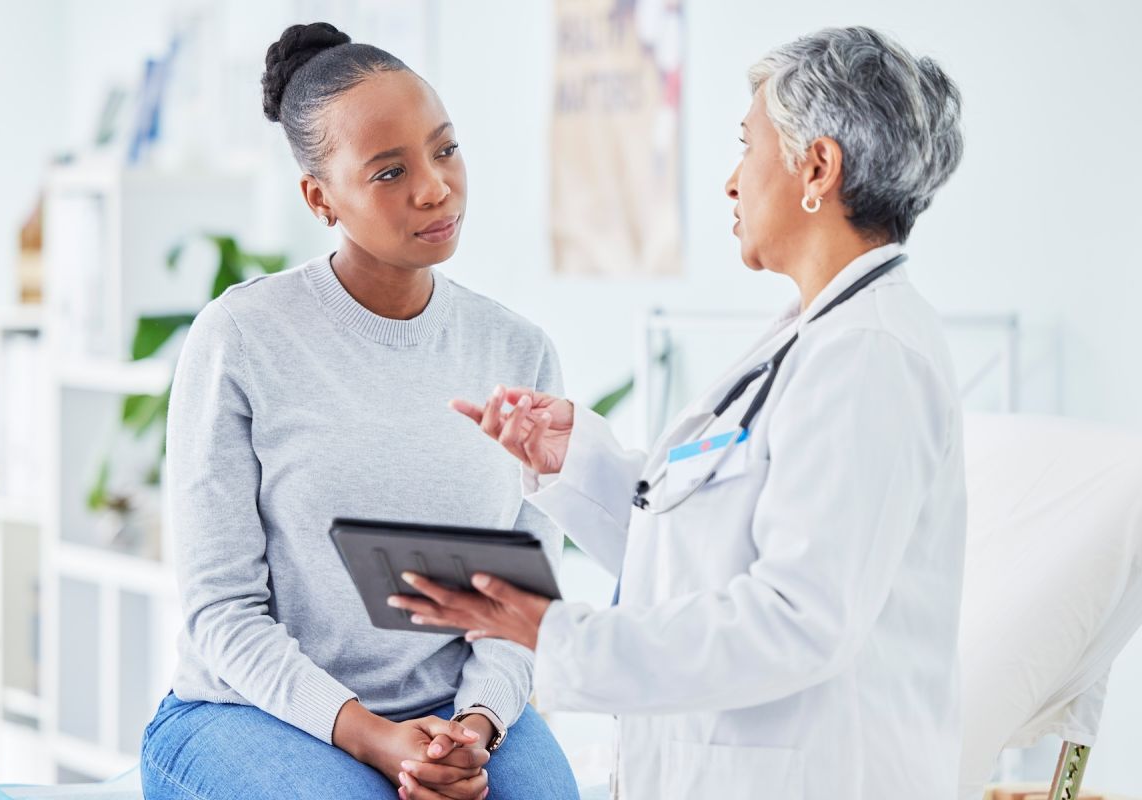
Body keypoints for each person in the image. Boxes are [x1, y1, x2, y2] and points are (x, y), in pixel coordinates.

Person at [390, 26, 968, 799]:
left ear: (817, 169)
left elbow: (799, 619)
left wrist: (555, 634)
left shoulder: (869, 355)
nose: (732, 181)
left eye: (747, 146)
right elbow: (701, 554)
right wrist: (579, 463)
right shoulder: (815, 337)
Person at [140, 22, 579, 800]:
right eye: (388, 172)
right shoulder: (241, 339)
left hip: (450, 710)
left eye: (445, 150)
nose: (434, 186)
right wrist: (376, 740)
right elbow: (222, 611)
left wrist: (473, 728)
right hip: (248, 712)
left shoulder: (518, 349)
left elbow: (522, 599)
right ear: (320, 198)